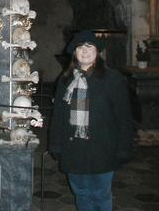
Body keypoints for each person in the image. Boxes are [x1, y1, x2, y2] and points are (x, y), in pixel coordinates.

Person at [49, 30, 133, 211]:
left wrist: (124, 149)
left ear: (98, 52)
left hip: (103, 148)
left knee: (101, 195)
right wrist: (56, 145)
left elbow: (124, 118)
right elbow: (58, 117)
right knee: (82, 194)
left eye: (89, 46)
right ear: (74, 53)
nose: (84, 51)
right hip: (74, 149)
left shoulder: (113, 80)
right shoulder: (65, 81)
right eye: (80, 47)